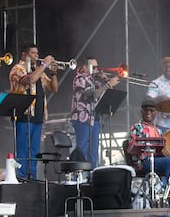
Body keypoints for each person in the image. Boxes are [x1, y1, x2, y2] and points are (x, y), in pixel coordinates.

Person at [9, 43, 58, 180]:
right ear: (24, 55)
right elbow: (30, 80)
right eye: (33, 53)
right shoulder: (17, 68)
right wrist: (43, 65)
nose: (36, 55)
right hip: (24, 114)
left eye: (37, 53)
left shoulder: (38, 70)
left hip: (38, 114)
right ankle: (22, 176)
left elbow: (53, 88)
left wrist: (53, 73)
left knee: (35, 149)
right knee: (23, 148)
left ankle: (33, 177)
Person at [70, 57, 120, 168]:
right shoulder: (80, 78)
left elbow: (107, 91)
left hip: (95, 118)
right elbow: (92, 94)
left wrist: (106, 79)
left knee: (94, 150)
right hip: (82, 118)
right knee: (82, 148)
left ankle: (92, 175)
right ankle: (79, 175)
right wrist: (108, 84)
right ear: (84, 67)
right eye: (94, 67)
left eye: (97, 66)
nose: (97, 69)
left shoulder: (93, 80)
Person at [127, 100, 170, 185]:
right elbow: (133, 148)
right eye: (146, 110)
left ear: (156, 112)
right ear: (141, 111)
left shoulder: (158, 130)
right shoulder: (137, 127)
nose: (148, 113)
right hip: (143, 162)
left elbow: (162, 149)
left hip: (155, 160)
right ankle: (167, 189)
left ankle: (164, 187)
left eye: (151, 110)